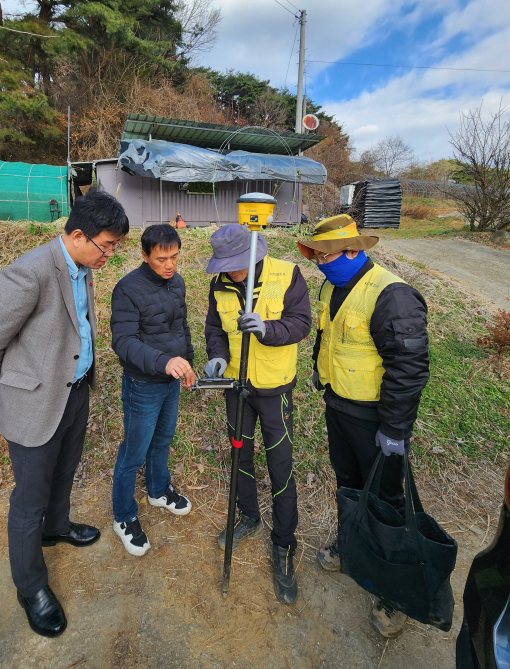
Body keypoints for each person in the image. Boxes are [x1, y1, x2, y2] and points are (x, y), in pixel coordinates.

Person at [0, 188, 129, 638]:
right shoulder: (31, 272)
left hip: (74, 394)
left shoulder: (83, 267)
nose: (110, 256)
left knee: (64, 473)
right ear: (77, 235)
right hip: (35, 404)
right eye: (107, 247)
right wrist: (12, 389)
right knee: (29, 499)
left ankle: (55, 528)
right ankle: (31, 586)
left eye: (114, 247)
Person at [297, 214, 430, 638]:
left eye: (326, 256)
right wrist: (319, 369)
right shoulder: (333, 286)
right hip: (339, 406)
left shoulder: (393, 296)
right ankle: (352, 546)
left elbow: (409, 369)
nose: (320, 263)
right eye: (317, 257)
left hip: (377, 417)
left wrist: (395, 428)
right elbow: (329, 336)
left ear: (354, 251)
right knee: (350, 485)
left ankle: (395, 590)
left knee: (387, 498)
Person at [204, 224, 312, 605]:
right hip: (237, 389)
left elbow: (301, 323)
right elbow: (214, 327)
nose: (231, 272)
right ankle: (249, 515)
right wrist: (217, 356)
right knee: (240, 457)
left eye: (236, 265)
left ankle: (283, 543)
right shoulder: (219, 284)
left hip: (274, 389)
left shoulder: (287, 275)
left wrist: (267, 329)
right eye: (225, 266)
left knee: (280, 464)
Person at [110, 224, 195, 556]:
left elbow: (181, 326)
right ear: (144, 256)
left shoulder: (177, 283)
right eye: (161, 259)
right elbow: (124, 342)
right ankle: (123, 516)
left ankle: (158, 490)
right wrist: (164, 362)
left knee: (163, 439)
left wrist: (186, 363)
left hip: (170, 381)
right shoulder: (128, 289)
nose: (169, 265)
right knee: (133, 452)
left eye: (174, 257)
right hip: (143, 384)